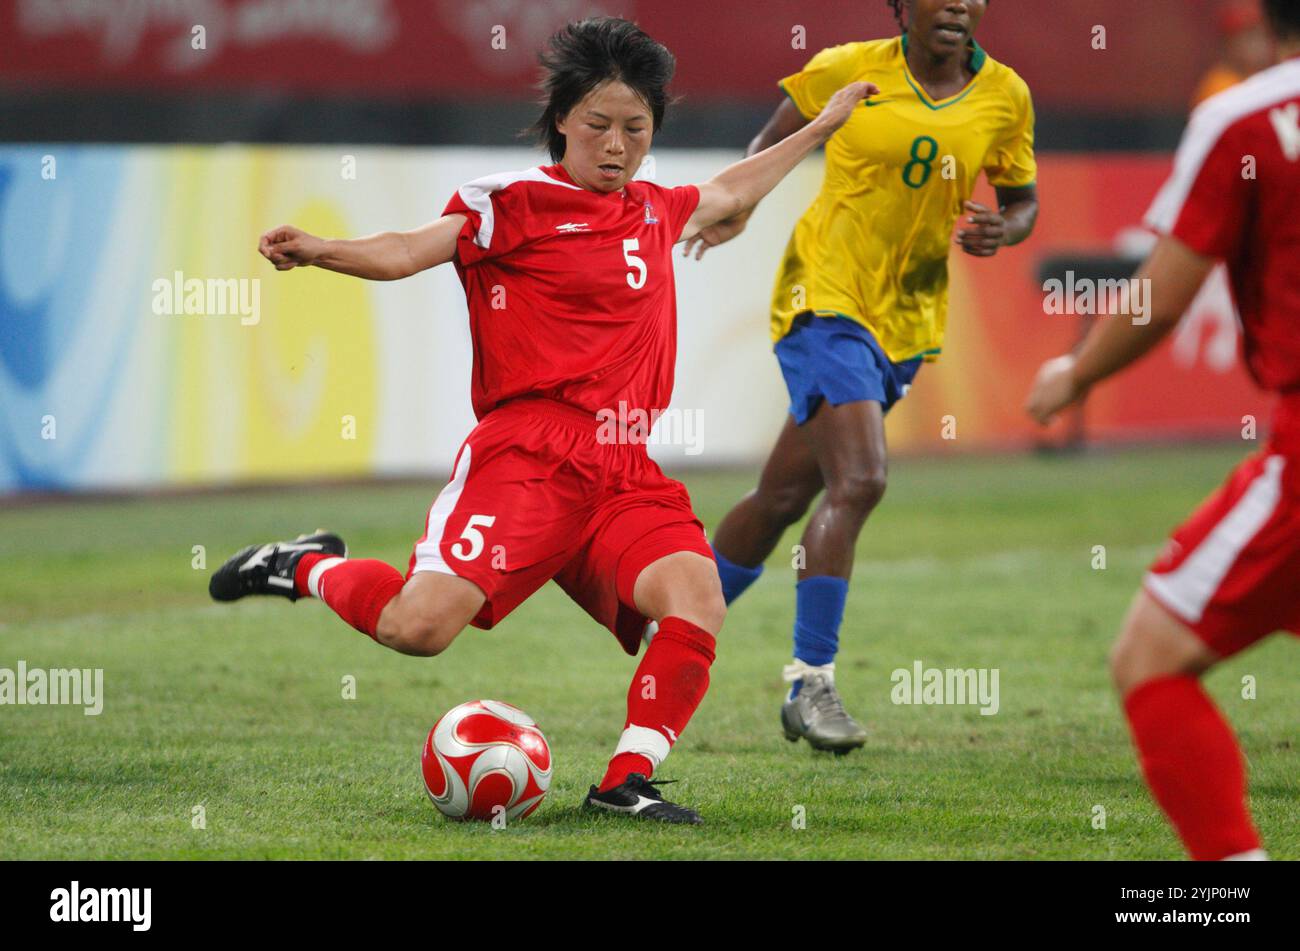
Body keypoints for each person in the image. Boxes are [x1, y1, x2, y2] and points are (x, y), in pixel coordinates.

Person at [208, 17, 875, 823]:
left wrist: (825, 123)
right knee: (417, 628)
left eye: (636, 128)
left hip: (621, 467)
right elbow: (405, 250)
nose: (617, 144)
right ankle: (304, 565)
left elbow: (734, 190)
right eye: (598, 124)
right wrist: (321, 248)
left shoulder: (657, 208)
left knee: (697, 595)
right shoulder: (512, 203)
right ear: (563, 119)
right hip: (525, 459)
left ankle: (626, 779)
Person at [684, 0, 1038, 752]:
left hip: (906, 321)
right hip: (824, 297)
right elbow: (769, 141)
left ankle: (677, 619)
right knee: (863, 480)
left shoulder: (1006, 95)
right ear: (901, 6)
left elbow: (1023, 199)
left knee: (782, 496)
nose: (958, 4)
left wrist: (1005, 228)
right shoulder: (849, 68)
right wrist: (737, 207)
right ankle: (810, 682)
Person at [1025, 0, 1300, 861]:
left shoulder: (1244, 116)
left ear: (1264, 29)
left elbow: (1164, 292)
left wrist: (1077, 371)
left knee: (1150, 656)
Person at [1192, 0, 1274, 108]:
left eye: (1264, 36)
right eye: (1251, 38)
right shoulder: (1219, 86)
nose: (1261, 45)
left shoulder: (1270, 77)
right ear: (1229, 43)